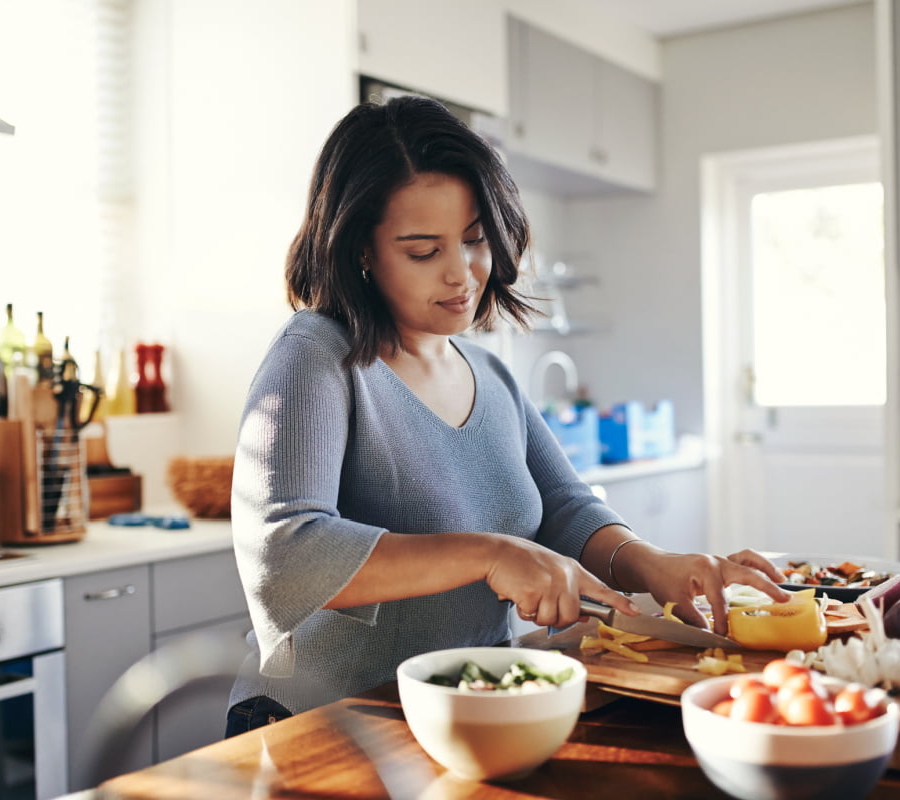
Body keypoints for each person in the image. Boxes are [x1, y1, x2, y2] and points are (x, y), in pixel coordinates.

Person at [225, 95, 789, 736]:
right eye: (421, 251)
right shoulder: (314, 355)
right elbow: (282, 552)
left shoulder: (487, 372)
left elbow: (566, 511)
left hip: (461, 716)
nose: (463, 274)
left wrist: (651, 565)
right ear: (360, 249)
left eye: (475, 240)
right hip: (323, 722)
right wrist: (489, 554)